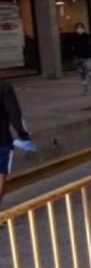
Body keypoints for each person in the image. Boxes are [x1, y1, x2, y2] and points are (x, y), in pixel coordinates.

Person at [0, 81, 33, 211]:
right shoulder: (4, 88)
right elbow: (14, 113)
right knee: (1, 173)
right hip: (1, 140)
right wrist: (23, 134)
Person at [70, 22, 91, 95]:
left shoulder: (88, 36)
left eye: (80, 27)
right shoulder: (73, 37)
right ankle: (85, 89)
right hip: (78, 58)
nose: (79, 29)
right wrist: (73, 54)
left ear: (83, 28)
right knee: (82, 74)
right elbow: (69, 45)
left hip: (88, 57)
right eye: (78, 27)